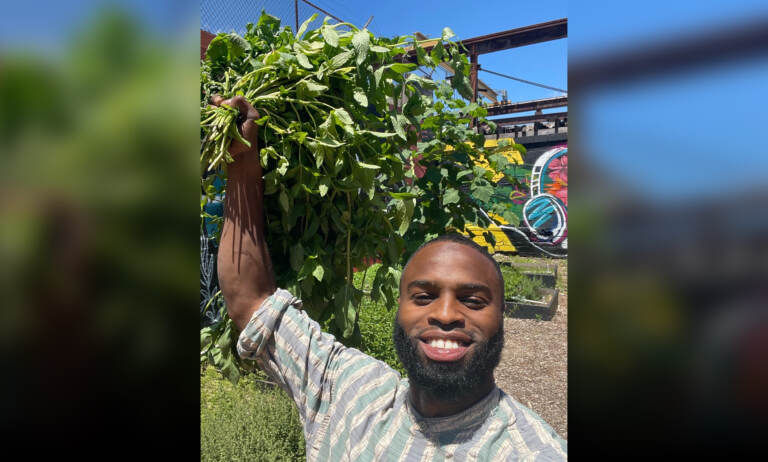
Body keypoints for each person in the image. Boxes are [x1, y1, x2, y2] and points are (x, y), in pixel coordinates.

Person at [213, 95, 567, 461]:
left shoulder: (530, 451)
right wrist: (243, 160)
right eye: (423, 297)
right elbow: (252, 302)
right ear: (398, 309)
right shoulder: (349, 392)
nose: (446, 315)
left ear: (501, 317)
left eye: (473, 300)